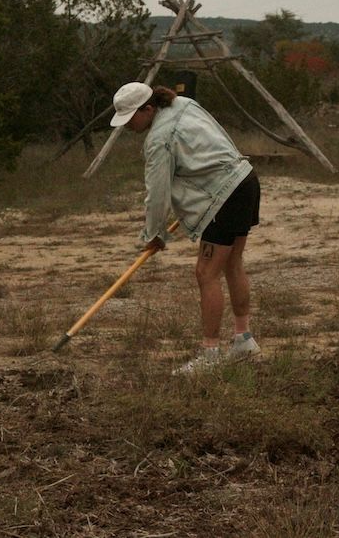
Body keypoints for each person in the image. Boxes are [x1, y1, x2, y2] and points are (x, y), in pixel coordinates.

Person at [111, 81, 262, 374]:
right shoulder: (183, 103)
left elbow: (157, 194)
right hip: (245, 179)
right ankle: (243, 340)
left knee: (206, 273)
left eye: (131, 118)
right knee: (233, 263)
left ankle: (210, 354)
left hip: (224, 195)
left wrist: (154, 234)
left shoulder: (158, 140)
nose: (127, 125)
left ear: (148, 109)